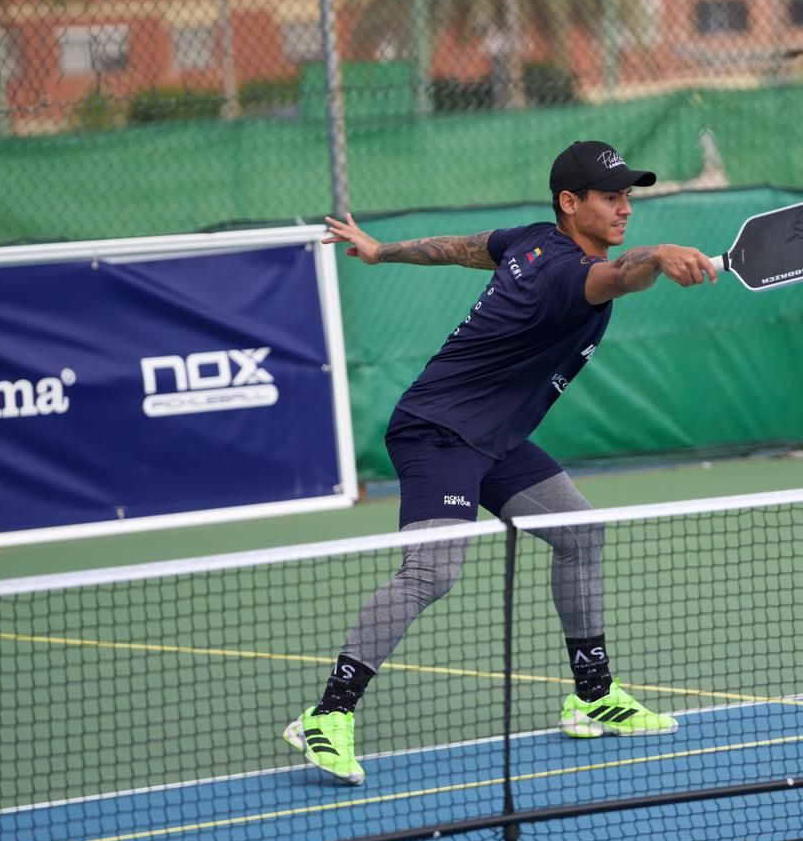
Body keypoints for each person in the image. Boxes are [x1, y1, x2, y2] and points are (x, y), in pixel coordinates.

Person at [284, 140, 717, 785]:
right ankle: (327, 714)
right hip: (439, 431)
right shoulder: (566, 272)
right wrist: (655, 256)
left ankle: (592, 695)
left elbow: (461, 247)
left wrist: (381, 251)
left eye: (629, 195)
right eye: (610, 196)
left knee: (578, 532)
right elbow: (621, 275)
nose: (625, 207)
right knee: (432, 571)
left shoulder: (530, 240)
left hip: (496, 438)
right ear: (571, 203)